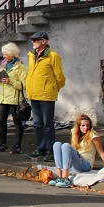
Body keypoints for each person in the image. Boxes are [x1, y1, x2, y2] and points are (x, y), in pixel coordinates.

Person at [51, 114, 104, 187]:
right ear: (78, 126)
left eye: (88, 125)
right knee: (57, 144)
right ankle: (59, 177)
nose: (85, 128)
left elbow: (101, 152)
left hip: (86, 164)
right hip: (74, 164)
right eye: (83, 125)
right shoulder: (74, 133)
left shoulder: (93, 135)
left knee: (66, 146)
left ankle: (65, 179)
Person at [26, 32, 65, 161]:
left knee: (47, 124)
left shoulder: (53, 56)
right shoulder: (32, 56)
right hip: (34, 94)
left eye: (35, 40)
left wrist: (53, 88)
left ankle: (50, 150)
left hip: (46, 95)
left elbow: (59, 77)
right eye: (32, 40)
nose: (32, 42)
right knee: (37, 124)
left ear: (43, 41)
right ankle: (40, 148)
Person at [0, 42, 27, 153]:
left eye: (5, 54)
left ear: (12, 54)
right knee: (1, 121)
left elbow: (24, 84)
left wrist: (11, 81)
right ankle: (3, 144)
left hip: (14, 99)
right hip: (2, 98)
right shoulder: (3, 64)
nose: (4, 56)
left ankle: (17, 145)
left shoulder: (20, 66)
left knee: (17, 122)